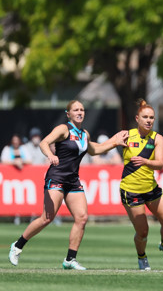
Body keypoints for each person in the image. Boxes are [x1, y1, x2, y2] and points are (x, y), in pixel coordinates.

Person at [8, 100, 128, 270]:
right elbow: (44, 143)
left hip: (72, 180)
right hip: (56, 177)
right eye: (75, 110)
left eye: (82, 109)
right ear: (68, 114)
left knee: (82, 218)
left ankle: (70, 259)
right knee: (46, 218)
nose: (80, 112)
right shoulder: (63, 129)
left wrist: (115, 141)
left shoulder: (84, 134)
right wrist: (50, 155)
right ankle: (17, 246)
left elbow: (95, 149)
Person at [120, 99, 163, 271]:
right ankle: (142, 258)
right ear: (137, 119)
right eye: (145, 117)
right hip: (131, 191)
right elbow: (105, 147)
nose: (149, 120)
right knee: (143, 232)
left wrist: (145, 161)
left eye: (152, 118)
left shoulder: (157, 138)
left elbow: (160, 163)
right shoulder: (126, 135)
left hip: (151, 189)